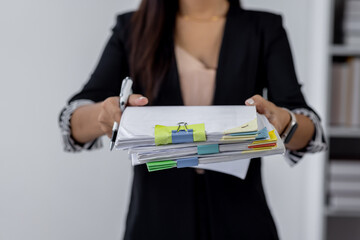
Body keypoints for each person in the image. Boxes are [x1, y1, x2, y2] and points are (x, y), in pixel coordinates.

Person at [59, 0, 327, 239]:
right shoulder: (131, 27)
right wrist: (104, 115)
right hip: (154, 219)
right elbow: (73, 123)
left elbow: (310, 130)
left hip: (243, 217)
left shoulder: (264, 27)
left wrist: (284, 122)